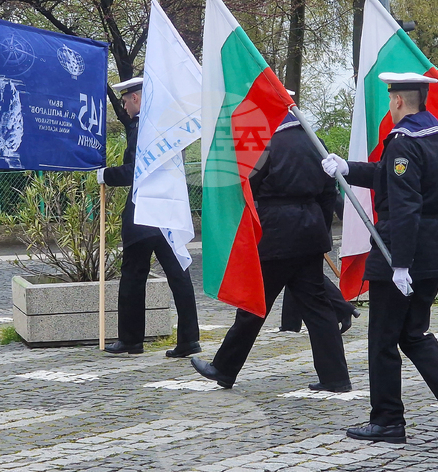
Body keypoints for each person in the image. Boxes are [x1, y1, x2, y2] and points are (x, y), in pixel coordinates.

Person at [322, 73, 438, 446]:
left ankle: (387, 421)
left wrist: (399, 263)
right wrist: (349, 168)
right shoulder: (432, 134)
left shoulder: (401, 141)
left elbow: (405, 203)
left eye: (389, 99)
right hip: (430, 246)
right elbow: (393, 179)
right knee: (412, 334)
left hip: (402, 248)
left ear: (398, 101)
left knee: (383, 340)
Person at [191, 111, 351, 392]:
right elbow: (329, 191)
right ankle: (335, 377)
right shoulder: (315, 141)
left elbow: (247, 190)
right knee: (317, 308)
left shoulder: (265, 144)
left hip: (276, 232)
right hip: (310, 230)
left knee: (254, 305)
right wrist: (319, 229)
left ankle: (224, 368)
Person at [98, 77, 201, 358]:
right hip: (168, 210)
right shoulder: (168, 127)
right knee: (179, 274)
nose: (125, 106)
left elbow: (135, 170)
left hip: (144, 211)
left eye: (126, 100)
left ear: (137, 99)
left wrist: (105, 174)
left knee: (133, 276)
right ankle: (189, 339)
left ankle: (131, 339)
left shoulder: (141, 126)